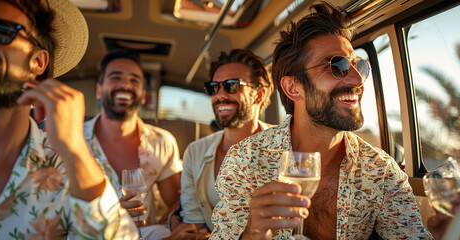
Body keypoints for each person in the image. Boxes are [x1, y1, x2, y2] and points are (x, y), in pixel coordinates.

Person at [210, 2, 432, 239]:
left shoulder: (380, 171)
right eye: (337, 66)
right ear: (293, 88)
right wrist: (252, 233)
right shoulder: (245, 161)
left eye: (359, 65)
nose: (358, 80)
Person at [0, 0, 137, 239]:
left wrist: (75, 151)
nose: (124, 85)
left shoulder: (74, 172)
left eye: (0, 32)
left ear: (37, 63)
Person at [165, 49, 274, 239]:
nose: (220, 95)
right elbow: (194, 226)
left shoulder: (284, 147)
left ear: (259, 95)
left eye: (232, 86)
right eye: (214, 87)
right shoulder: (195, 152)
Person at [84, 48, 182, 239]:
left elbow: (177, 202)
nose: (125, 85)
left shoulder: (162, 142)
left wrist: (163, 231)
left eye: (134, 80)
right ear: (98, 90)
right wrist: (112, 216)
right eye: (115, 77)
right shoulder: (73, 139)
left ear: (143, 95)